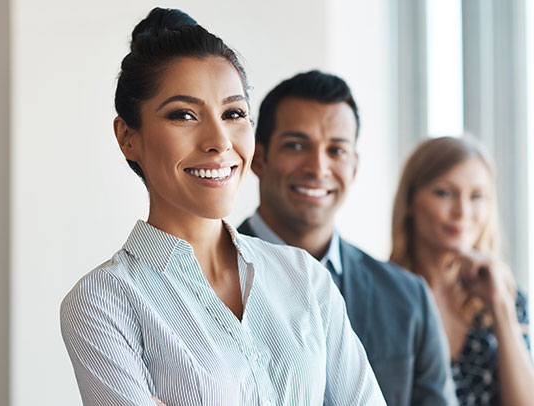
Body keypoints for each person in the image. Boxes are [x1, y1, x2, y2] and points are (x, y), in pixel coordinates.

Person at [60, 8, 385, 406]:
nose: (219, 140)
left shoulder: (305, 279)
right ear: (128, 136)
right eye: (184, 115)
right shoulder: (102, 302)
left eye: (234, 113)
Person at [238, 70, 456, 406]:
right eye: (296, 146)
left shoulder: (407, 298)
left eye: (336, 150)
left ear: (354, 166)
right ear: (258, 157)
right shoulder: (201, 278)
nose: (318, 167)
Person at [390, 135, 534, 406]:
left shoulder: (506, 299)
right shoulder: (379, 293)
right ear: (410, 201)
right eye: (444, 192)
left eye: (477, 196)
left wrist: (500, 307)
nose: (462, 211)